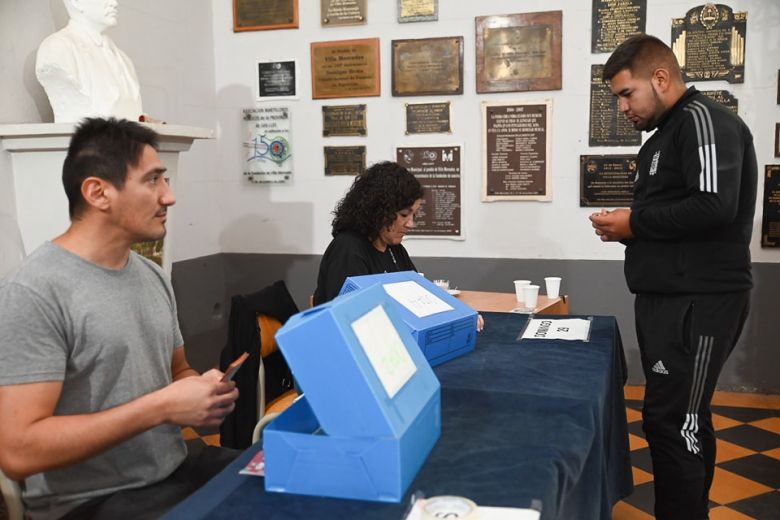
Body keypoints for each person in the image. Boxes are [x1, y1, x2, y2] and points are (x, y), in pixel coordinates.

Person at [0, 118, 239, 520]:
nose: (169, 197)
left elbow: (177, 370)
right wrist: (161, 407)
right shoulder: (34, 292)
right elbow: (18, 452)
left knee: (301, 486)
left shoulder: (150, 276)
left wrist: (199, 393)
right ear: (98, 193)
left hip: (174, 470)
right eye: (153, 181)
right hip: (92, 501)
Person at [590, 35, 757, 519]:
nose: (622, 107)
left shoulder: (703, 121)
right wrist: (627, 231)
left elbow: (714, 205)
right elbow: (677, 217)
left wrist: (635, 223)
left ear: (660, 78)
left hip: (699, 300)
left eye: (627, 94)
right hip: (669, 298)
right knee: (674, 419)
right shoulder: (664, 135)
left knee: (675, 421)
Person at [313, 161, 423, 306]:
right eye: (404, 214)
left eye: (414, 215)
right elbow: (351, 314)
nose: (410, 224)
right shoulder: (348, 250)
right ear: (379, 211)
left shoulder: (396, 250)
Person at [35, 0, 143, 123]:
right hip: (90, 138)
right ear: (77, 2)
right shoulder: (57, 49)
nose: (114, 3)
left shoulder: (124, 59)